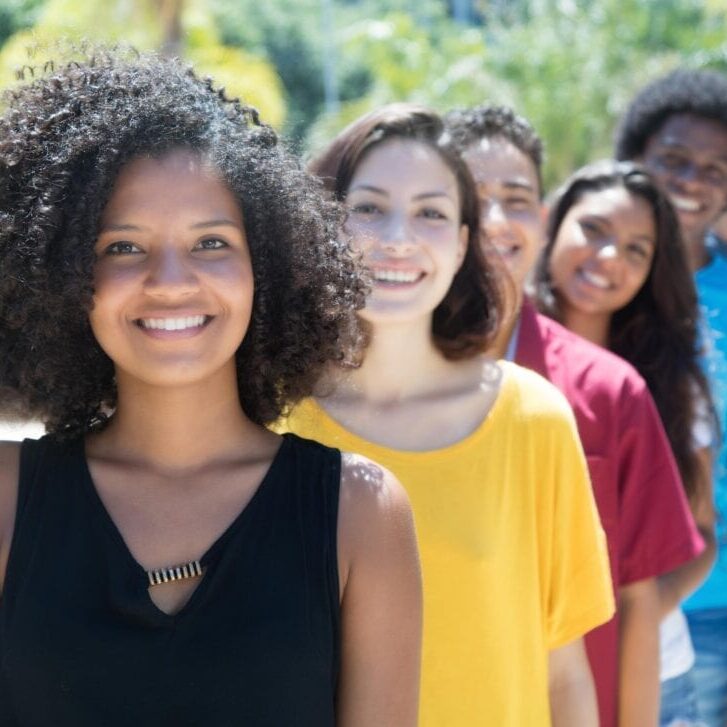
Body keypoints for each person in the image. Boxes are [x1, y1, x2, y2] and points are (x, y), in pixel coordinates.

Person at [0, 52, 422, 727]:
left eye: (211, 243)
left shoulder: (359, 513)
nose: (170, 280)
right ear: (63, 275)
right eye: (123, 248)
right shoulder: (9, 496)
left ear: (271, 266)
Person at [280, 103, 615, 726]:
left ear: (463, 243)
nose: (398, 238)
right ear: (323, 223)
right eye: (369, 208)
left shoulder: (533, 419)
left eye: (430, 213)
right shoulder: (267, 418)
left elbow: (565, 675)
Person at [444, 105, 705, 727]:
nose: (496, 220)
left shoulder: (617, 389)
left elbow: (645, 590)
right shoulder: (373, 375)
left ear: (538, 216)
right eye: (475, 199)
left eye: (515, 199)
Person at [534, 159, 717, 727]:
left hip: (655, 674)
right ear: (552, 224)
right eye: (594, 230)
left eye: (637, 250)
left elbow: (703, 534)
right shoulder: (496, 349)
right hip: (530, 670)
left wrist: (618, 618)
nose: (610, 258)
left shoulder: (666, 378)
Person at [616, 69, 727, 727]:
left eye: (715, 167)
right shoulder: (601, 282)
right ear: (634, 160)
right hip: (664, 606)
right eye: (674, 159)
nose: (692, 180)